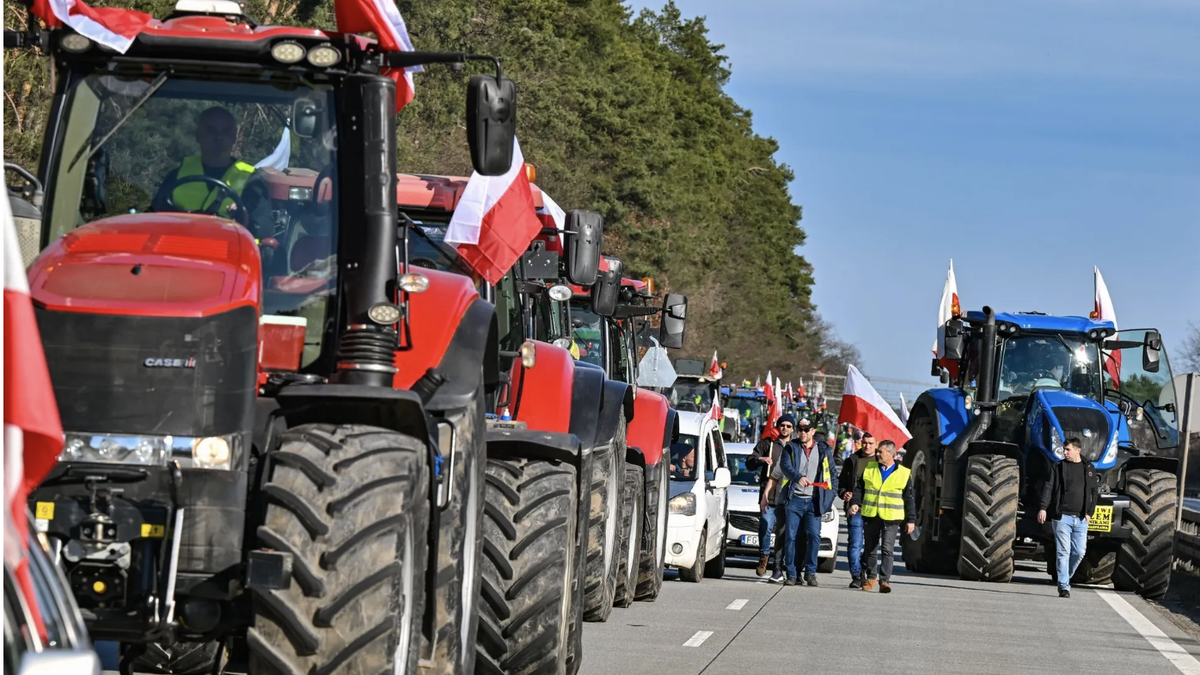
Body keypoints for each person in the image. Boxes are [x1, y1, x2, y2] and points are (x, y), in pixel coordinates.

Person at [152, 106, 269, 234]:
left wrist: (243, 217)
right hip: (180, 249)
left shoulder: (251, 181)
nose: (218, 137)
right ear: (198, 135)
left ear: (234, 137)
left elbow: (264, 229)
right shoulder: (176, 176)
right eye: (211, 131)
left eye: (225, 131)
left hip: (232, 250)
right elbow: (155, 218)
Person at [763, 418, 836, 587]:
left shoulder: (823, 449)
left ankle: (810, 573)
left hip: (813, 501)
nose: (802, 433)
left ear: (813, 431)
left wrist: (828, 499)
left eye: (806, 430)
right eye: (800, 430)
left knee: (814, 536)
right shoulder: (791, 447)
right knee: (790, 537)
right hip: (794, 500)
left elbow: (832, 476)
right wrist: (797, 477)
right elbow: (785, 466)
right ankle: (791, 574)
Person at [1036, 437, 1098, 598]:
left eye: (1068, 450)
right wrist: (1043, 508)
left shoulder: (1088, 468)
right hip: (1062, 517)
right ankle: (1064, 587)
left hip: (1081, 519)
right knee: (1064, 552)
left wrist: (1089, 512)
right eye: (1064, 449)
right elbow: (1048, 488)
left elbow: (1094, 492)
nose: (1065, 452)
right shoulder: (1058, 467)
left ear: (1078, 450)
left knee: (1079, 552)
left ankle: (1065, 578)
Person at [850, 440, 914, 593]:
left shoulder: (904, 473)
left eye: (881, 452)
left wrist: (911, 519)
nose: (877, 454)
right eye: (878, 451)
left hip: (891, 518)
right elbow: (859, 489)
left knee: (887, 549)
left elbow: (909, 498)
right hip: (872, 515)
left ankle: (884, 581)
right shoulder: (870, 468)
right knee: (870, 549)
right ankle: (871, 577)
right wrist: (855, 502)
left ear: (891, 453)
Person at [746, 415, 795, 578]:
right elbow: (750, 462)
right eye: (782, 425)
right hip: (770, 495)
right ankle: (764, 556)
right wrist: (761, 459)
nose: (785, 428)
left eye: (789, 426)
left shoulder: (796, 447)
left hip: (789, 496)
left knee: (784, 532)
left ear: (792, 429)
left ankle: (779, 564)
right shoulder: (768, 443)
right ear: (778, 426)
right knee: (766, 526)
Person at [838, 431, 878, 588]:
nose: (867, 446)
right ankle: (856, 575)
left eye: (870, 443)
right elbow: (840, 484)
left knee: (870, 545)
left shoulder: (880, 461)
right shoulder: (852, 460)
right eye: (865, 443)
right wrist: (844, 494)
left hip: (874, 509)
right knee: (855, 543)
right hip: (855, 508)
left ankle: (863, 568)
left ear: (876, 445)